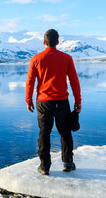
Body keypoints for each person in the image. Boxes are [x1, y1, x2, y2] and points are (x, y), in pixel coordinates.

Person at [25, 29, 82, 175]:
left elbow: (30, 82)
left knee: (44, 134)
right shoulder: (67, 58)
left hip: (43, 102)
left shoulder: (36, 59)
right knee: (65, 133)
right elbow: (75, 82)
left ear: (44, 42)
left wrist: (28, 100)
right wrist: (77, 101)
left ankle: (44, 167)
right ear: (58, 42)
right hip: (62, 102)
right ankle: (68, 163)